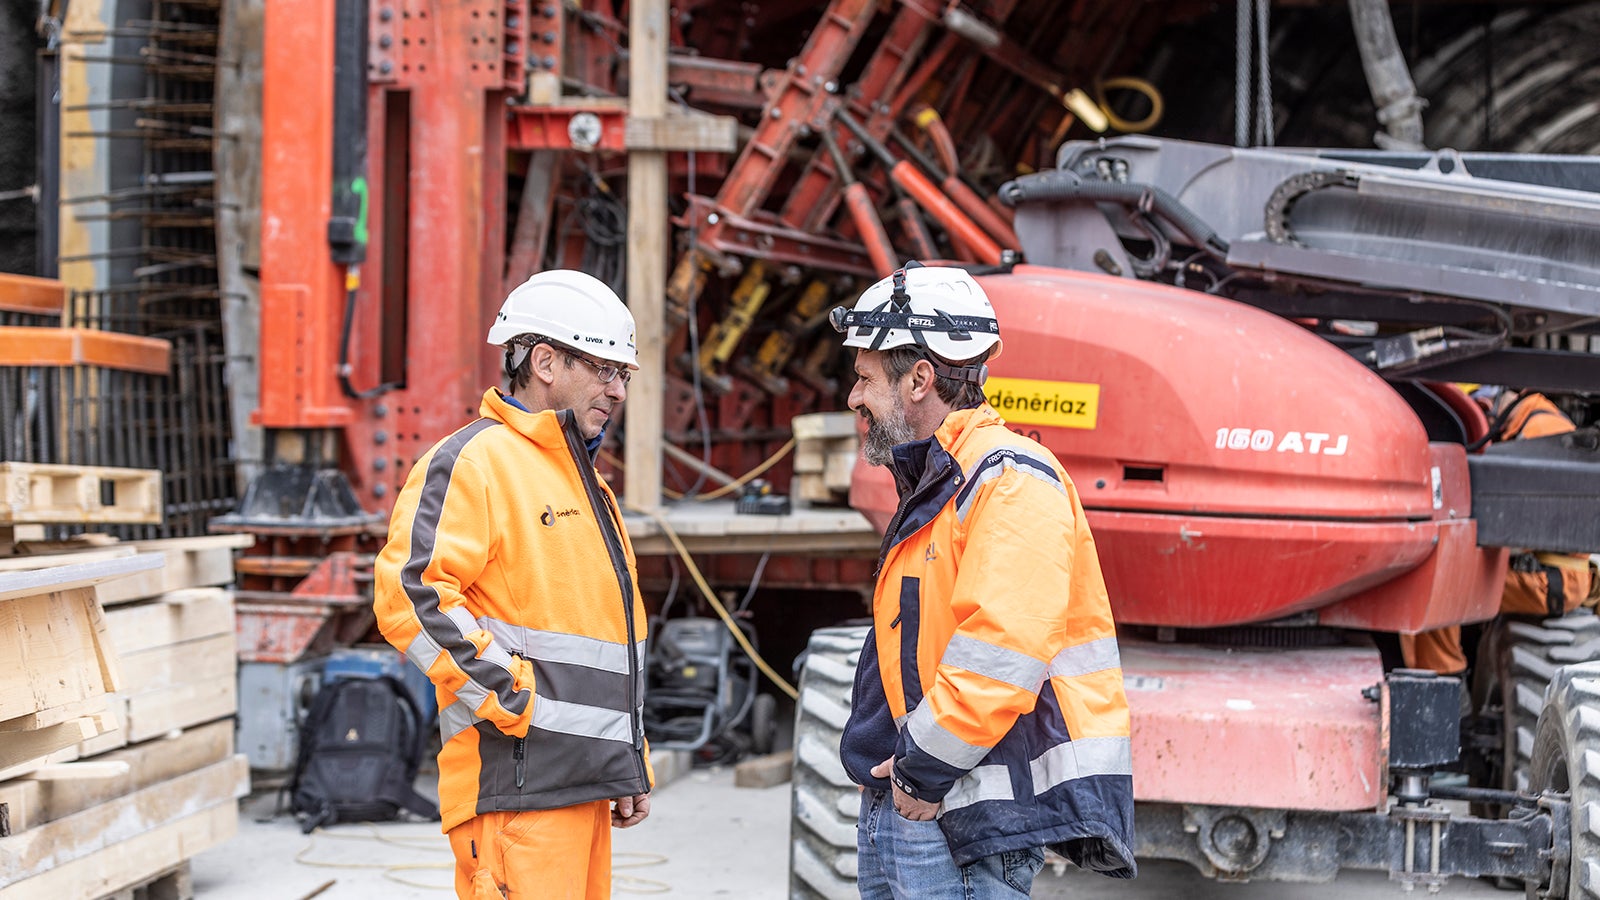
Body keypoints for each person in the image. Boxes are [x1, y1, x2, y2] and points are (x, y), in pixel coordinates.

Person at [829, 263, 1137, 899]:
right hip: (916, 804)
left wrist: (921, 772)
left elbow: (1000, 652)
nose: (854, 398)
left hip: (958, 813)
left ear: (919, 379)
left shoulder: (1009, 479)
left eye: (864, 379)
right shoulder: (945, 480)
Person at [373, 269, 653, 900]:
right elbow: (410, 595)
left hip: (583, 784)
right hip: (516, 788)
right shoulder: (474, 462)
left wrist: (627, 759)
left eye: (624, 376)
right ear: (545, 361)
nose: (617, 390)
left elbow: (605, 643)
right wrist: (513, 699)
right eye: (604, 369)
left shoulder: (585, 483)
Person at [1401, 386, 1596, 675]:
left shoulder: (1542, 431)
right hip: (1547, 568)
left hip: (1552, 577)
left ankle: (1445, 682)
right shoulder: (1525, 425)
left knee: (1436, 586)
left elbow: (1540, 521)